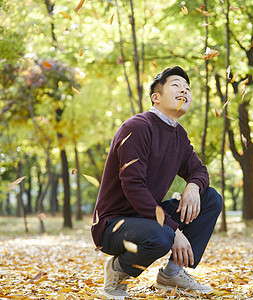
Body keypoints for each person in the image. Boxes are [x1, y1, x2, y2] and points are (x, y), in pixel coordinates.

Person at [91, 66, 223, 299]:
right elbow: (133, 186)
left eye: (187, 88)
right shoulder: (137, 127)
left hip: (147, 217)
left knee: (210, 198)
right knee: (161, 236)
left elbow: (199, 170)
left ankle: (172, 272)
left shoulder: (179, 135)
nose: (183, 90)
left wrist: (193, 186)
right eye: (175, 85)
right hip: (114, 225)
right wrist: (173, 230)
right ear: (156, 97)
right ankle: (117, 270)